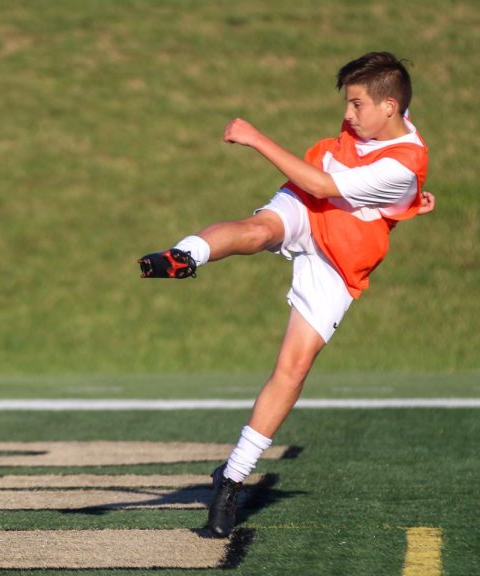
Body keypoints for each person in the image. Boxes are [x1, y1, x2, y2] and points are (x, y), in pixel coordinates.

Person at [138, 51, 434, 538]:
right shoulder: (391, 123)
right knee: (256, 231)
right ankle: (185, 255)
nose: (348, 115)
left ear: (388, 107)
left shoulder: (401, 166)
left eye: (357, 105)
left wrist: (254, 137)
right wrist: (414, 203)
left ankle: (231, 479)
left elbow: (333, 181)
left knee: (293, 368)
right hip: (308, 202)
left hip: (340, 257)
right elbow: (320, 187)